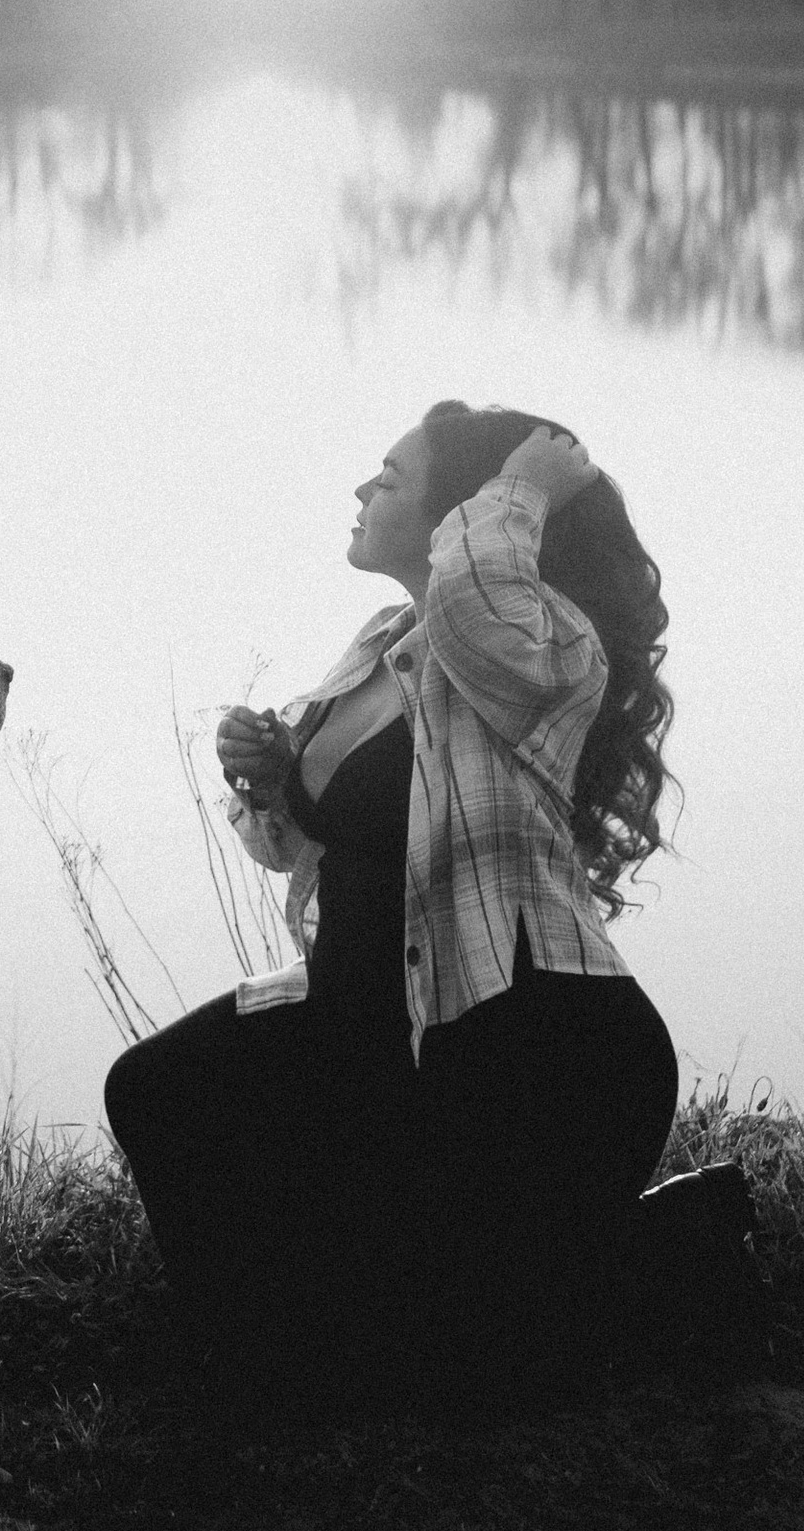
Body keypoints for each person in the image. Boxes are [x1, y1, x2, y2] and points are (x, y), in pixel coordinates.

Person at [103, 401, 695, 1391]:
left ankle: (658, 1257)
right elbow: (298, 841)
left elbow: (477, 616)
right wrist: (272, 771)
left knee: (446, 1346)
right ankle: (247, 1362)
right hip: (369, 1023)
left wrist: (523, 487)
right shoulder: (386, 642)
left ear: (462, 512)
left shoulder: (550, 643)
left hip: (533, 1053)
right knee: (157, 1091)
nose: (362, 488)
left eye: (390, 475)